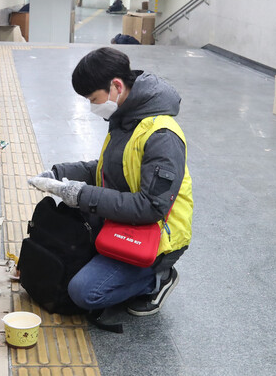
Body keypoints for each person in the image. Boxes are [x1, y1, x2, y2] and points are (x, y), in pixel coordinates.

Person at [27, 47, 193, 318]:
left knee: (83, 291)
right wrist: (58, 173)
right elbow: (107, 169)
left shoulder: (162, 135)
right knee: (62, 255)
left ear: (116, 86)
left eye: (94, 99)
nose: (92, 107)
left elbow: (151, 207)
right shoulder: (124, 118)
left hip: (156, 237)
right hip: (122, 223)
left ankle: (158, 278)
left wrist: (80, 195)